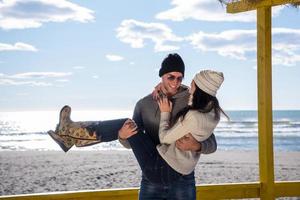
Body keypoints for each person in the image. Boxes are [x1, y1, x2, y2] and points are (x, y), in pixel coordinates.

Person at [48, 53, 220, 199]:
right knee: (126, 125)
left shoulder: (191, 101)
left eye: (180, 78)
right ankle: (70, 134)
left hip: (183, 178)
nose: (175, 82)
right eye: (171, 77)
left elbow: (210, 142)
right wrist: (122, 136)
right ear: (162, 75)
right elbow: (133, 142)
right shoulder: (144, 105)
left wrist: (197, 145)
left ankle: (71, 134)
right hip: (151, 175)